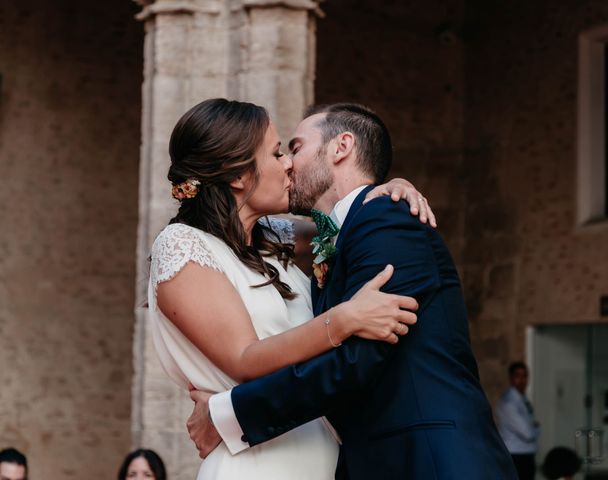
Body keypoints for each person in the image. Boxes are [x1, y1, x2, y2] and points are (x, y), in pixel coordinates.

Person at [187, 102, 518, 479]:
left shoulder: (387, 219)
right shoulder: (346, 233)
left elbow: (359, 359)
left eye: (295, 148)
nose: (288, 164)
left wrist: (229, 415)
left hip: (430, 459)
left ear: (341, 147)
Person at [148, 98, 432, 479]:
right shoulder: (182, 245)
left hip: (318, 458)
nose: (288, 164)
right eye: (277, 153)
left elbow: (347, 214)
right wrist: (344, 319)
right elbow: (246, 360)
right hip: (257, 463)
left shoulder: (271, 239)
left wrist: (388, 189)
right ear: (238, 175)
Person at [496, 361, 540, 480]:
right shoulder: (509, 403)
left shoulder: (522, 399)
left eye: (524, 376)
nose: (522, 380)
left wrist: (533, 427)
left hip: (526, 455)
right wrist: (536, 428)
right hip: (516, 455)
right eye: (518, 376)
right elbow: (528, 433)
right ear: (511, 378)